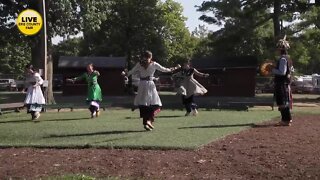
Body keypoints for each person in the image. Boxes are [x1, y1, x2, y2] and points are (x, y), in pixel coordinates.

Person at [122, 50, 180, 131]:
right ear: (151, 57)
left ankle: (146, 123)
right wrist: (175, 68)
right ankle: (149, 120)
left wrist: (125, 74)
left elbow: (131, 72)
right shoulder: (153, 64)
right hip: (150, 85)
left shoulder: (139, 64)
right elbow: (165, 70)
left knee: (144, 104)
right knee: (156, 105)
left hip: (142, 85)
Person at [270, 36, 294, 126]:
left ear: (280, 49)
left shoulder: (283, 59)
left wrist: (272, 69)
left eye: (278, 48)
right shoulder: (288, 59)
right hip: (284, 83)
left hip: (281, 83)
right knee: (283, 102)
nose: (277, 50)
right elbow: (291, 70)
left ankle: (286, 120)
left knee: (282, 102)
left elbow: (282, 72)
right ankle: (286, 119)